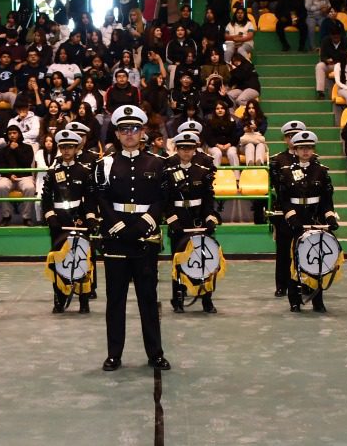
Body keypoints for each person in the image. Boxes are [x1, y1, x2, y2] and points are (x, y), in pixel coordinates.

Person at [94, 106, 170, 371]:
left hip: (144, 238)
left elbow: (162, 199)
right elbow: (100, 198)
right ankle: (114, 354)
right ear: (116, 133)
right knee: (115, 300)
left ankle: (155, 353)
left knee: (148, 299)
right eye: (124, 129)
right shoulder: (103, 164)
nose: (129, 134)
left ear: (143, 132)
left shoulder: (158, 163)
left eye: (134, 129)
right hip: (116, 238)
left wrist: (144, 225)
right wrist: (116, 225)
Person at [279, 130, 338, 313]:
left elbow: (327, 200)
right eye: (302, 148)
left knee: (316, 260)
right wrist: (292, 217)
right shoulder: (286, 172)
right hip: (295, 221)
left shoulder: (321, 171)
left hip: (315, 220)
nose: (305, 151)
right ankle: (294, 300)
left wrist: (329, 216)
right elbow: (283, 199)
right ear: (295, 150)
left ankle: (317, 300)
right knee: (295, 260)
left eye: (309, 148)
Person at [165, 130, 219, 313]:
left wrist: (210, 218)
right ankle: (178, 299)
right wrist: (172, 221)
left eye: (190, 149)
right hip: (179, 222)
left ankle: (207, 300)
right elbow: (166, 200)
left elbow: (208, 199)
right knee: (178, 262)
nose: (186, 152)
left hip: (198, 221)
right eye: (182, 149)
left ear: (195, 150)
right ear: (177, 150)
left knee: (205, 262)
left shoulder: (202, 172)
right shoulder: (169, 172)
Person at [43, 129, 96, 314]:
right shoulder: (52, 172)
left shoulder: (84, 171)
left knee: (81, 261)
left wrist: (89, 219)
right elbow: (46, 199)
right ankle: (59, 298)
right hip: (59, 222)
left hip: (78, 222)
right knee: (59, 260)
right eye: (63, 147)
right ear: (59, 148)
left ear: (76, 148)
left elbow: (90, 199)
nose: (66, 151)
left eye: (70, 147)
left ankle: (83, 300)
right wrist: (51, 218)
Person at [268, 121, 309, 297]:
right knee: (284, 251)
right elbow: (278, 188)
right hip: (285, 211)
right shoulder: (277, 160)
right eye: (290, 136)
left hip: (307, 211)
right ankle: (282, 284)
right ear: (285, 139)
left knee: (306, 250)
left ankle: (306, 282)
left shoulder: (311, 160)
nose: (294, 139)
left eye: (297, 134)